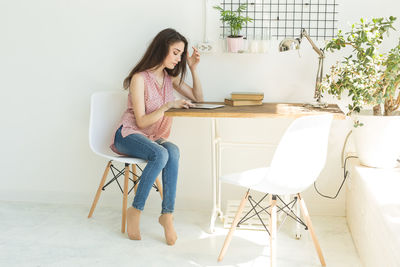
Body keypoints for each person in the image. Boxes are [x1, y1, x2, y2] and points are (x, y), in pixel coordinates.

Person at [110, 28, 203, 245]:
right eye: (176, 53)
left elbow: (198, 98)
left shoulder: (171, 78)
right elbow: (141, 121)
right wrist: (168, 105)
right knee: (161, 154)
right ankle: (136, 209)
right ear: (162, 48)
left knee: (173, 151)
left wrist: (193, 68)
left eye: (181, 54)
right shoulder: (139, 78)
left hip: (151, 138)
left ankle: (167, 215)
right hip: (128, 135)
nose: (178, 58)